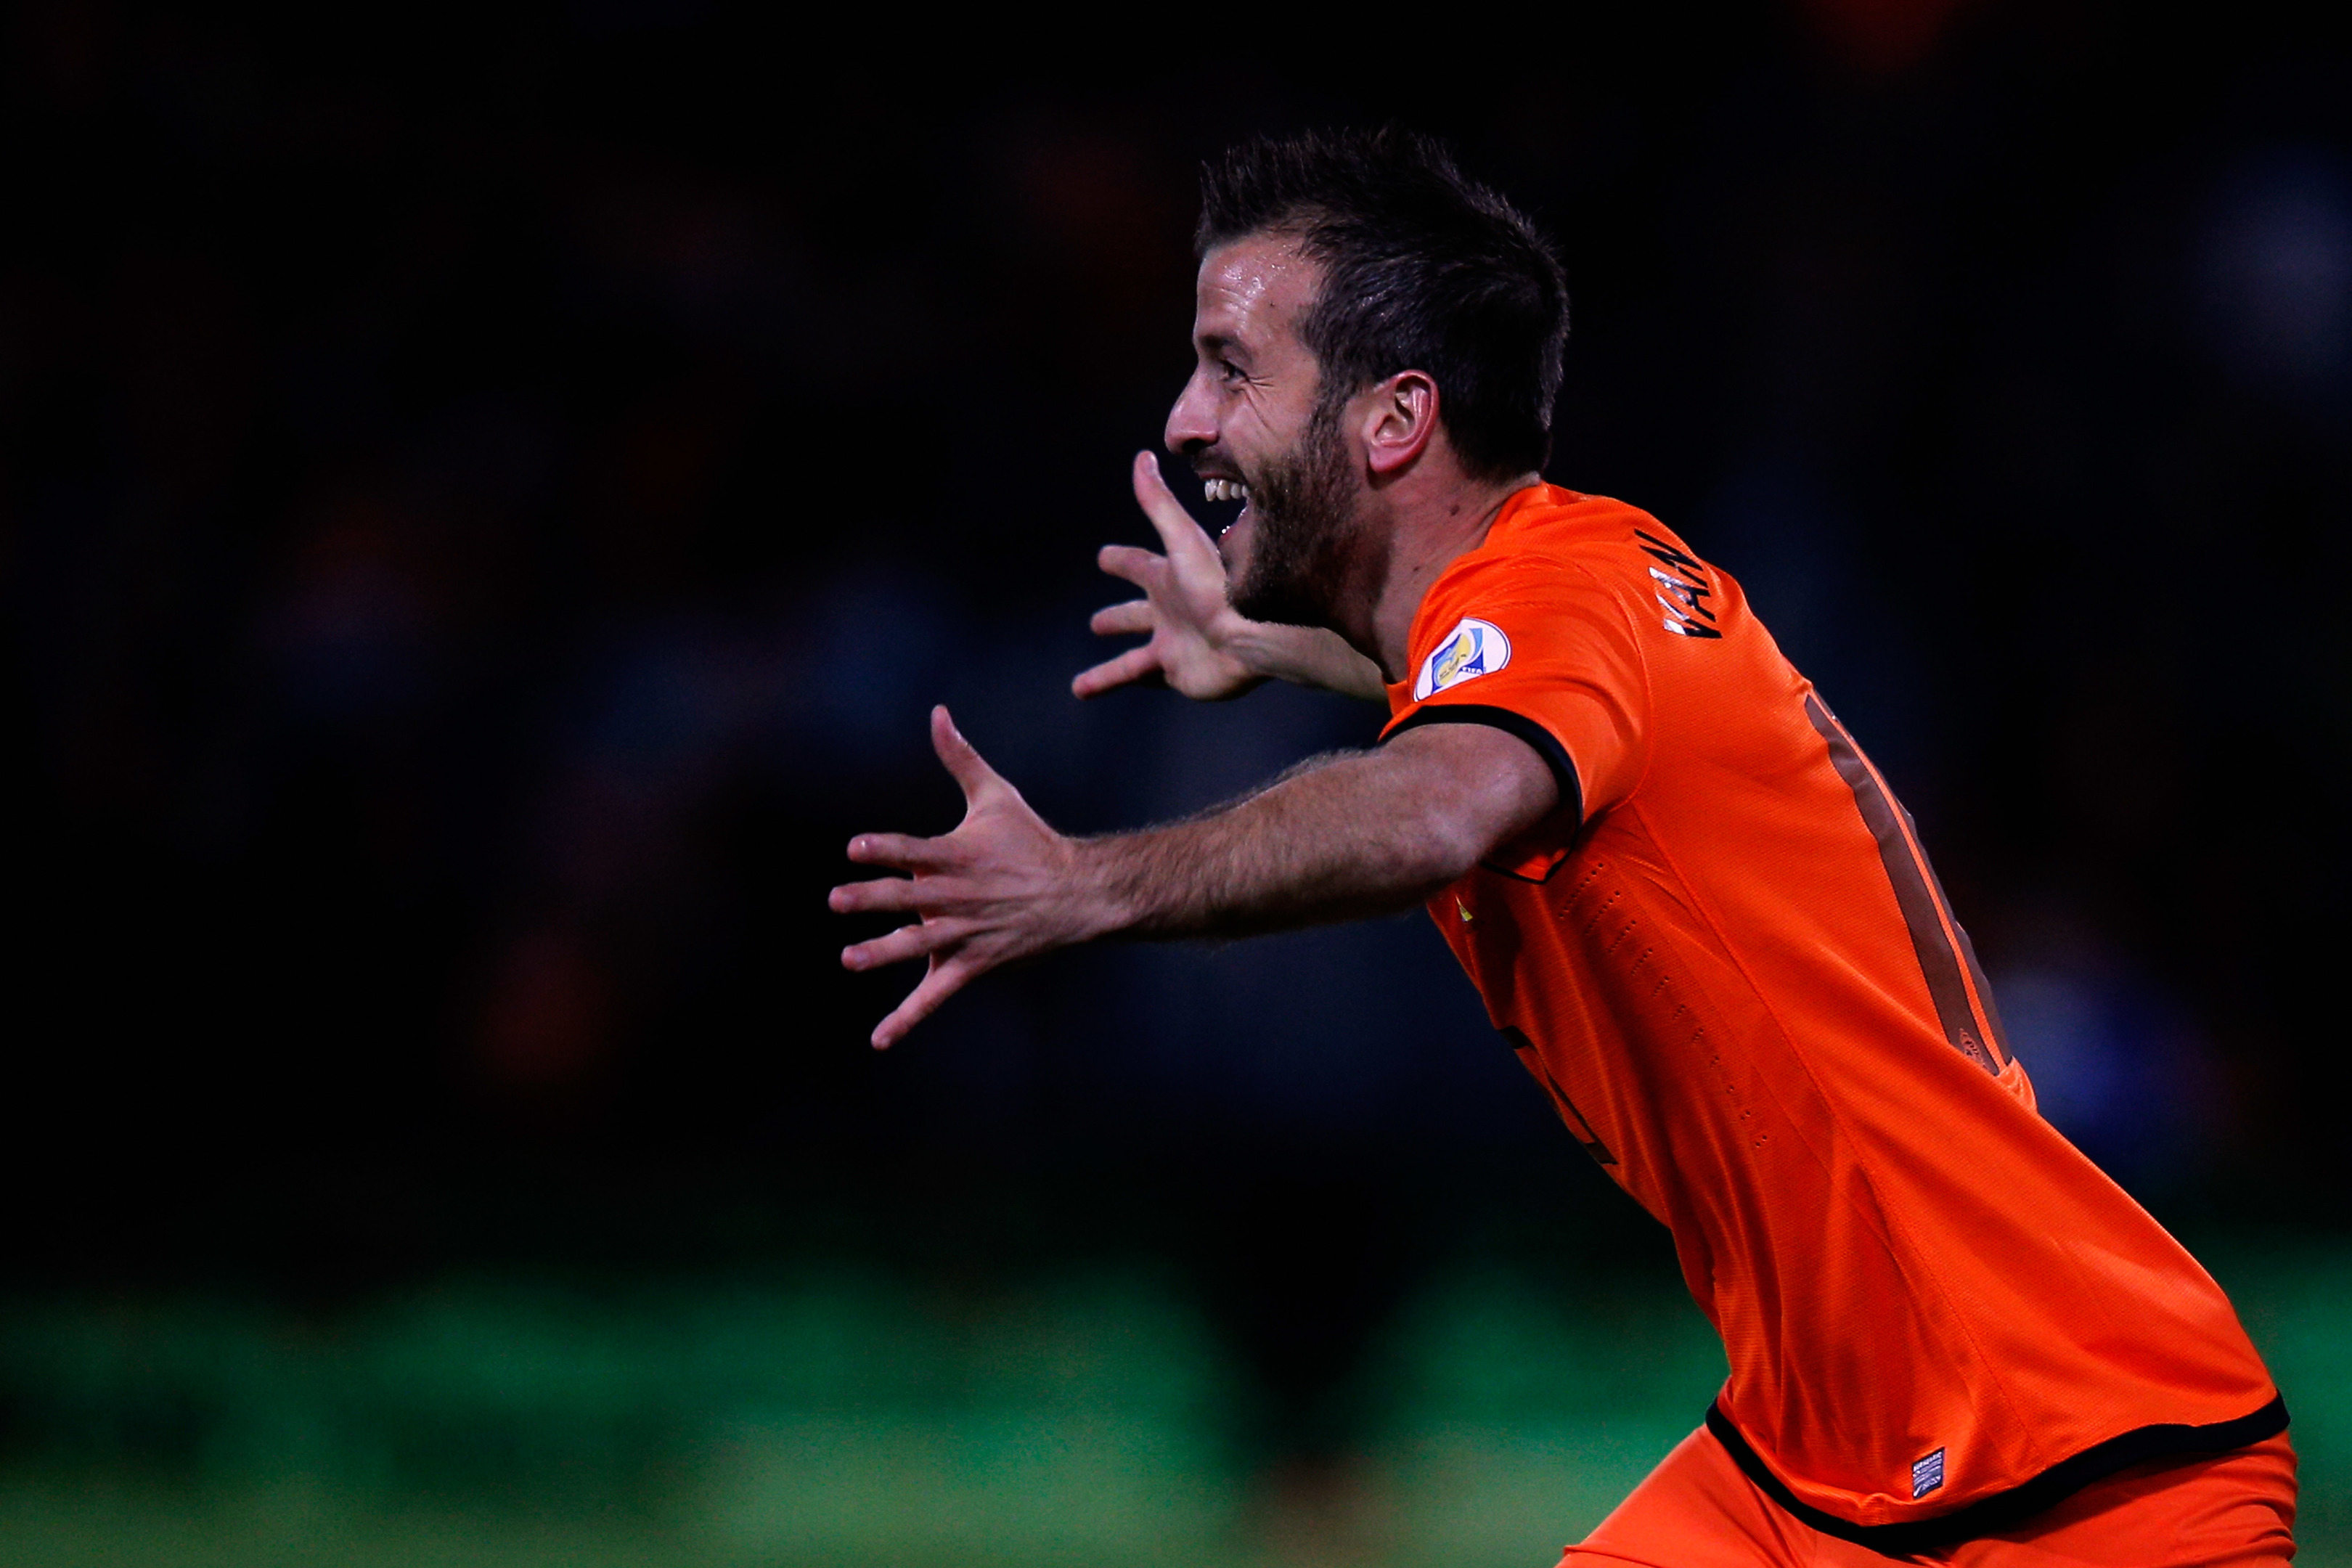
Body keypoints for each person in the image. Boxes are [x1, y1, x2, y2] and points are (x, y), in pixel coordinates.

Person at [829, 129, 2294, 1566]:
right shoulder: (1587, 593)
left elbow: (1441, 805)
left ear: (1394, 420)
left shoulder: (1560, 600)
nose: (1185, 420)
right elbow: (1506, 724)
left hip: (2086, 1472)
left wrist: (1089, 881)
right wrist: (1282, 648)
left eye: (1231, 367)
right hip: (1821, 1467)